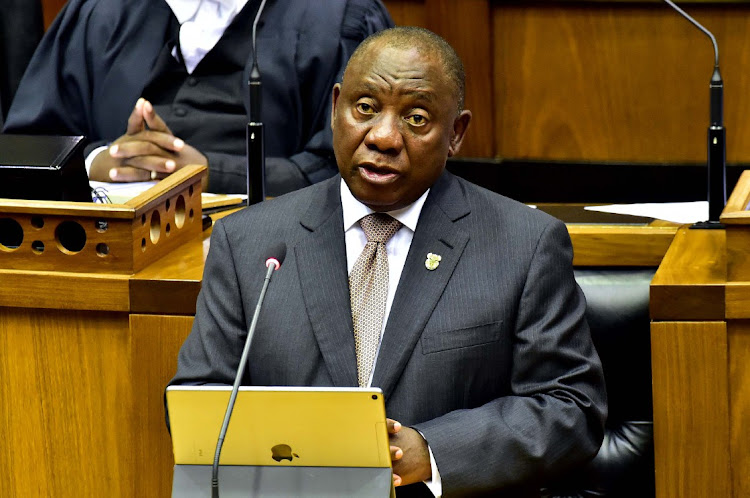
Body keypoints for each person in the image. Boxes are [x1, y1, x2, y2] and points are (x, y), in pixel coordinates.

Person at [169, 26, 607, 497]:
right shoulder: (249, 243)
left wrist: (435, 451)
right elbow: (199, 408)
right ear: (336, 108)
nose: (382, 136)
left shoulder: (524, 244)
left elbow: (571, 409)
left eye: (416, 119)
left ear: (456, 133)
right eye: (365, 108)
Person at [2, 0, 392, 195]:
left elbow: (360, 169)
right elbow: (26, 152)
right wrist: (98, 162)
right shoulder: (101, 11)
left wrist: (207, 174)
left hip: (276, 265)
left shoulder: (340, 17)